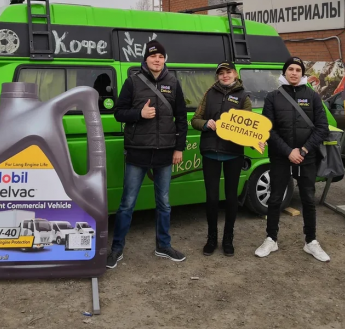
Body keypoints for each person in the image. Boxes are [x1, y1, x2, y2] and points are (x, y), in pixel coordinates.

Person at [106, 40, 188, 269]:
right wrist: (139, 114)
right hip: (138, 152)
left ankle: (163, 245)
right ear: (145, 59)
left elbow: (181, 118)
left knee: (164, 203)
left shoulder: (173, 83)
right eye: (153, 56)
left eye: (161, 56)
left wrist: (179, 148)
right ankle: (116, 249)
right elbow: (119, 113)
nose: (157, 60)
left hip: (164, 153)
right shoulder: (132, 81)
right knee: (127, 203)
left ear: (165, 59)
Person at [255, 56, 331, 262]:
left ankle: (311, 241)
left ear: (302, 73)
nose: (294, 73)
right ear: (285, 72)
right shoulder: (273, 97)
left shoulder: (313, 96)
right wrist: (289, 151)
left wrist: (304, 150)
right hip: (281, 156)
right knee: (275, 198)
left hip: (307, 156)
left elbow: (322, 127)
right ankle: (271, 239)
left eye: (298, 69)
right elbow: (268, 129)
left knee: (308, 199)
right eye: (291, 69)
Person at [192, 61, 261, 257]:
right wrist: (206, 124)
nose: (225, 75)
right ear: (217, 76)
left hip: (233, 153)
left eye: (228, 72)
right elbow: (195, 120)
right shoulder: (209, 93)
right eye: (221, 73)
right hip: (210, 152)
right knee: (212, 198)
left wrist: (256, 141)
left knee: (231, 197)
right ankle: (211, 238)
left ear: (235, 74)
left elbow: (249, 127)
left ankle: (228, 239)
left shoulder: (244, 96)